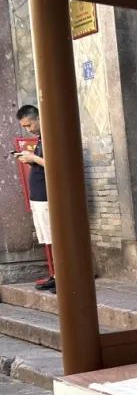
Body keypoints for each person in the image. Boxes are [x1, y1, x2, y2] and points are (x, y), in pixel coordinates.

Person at [15, 105, 54, 291]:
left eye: (29, 125)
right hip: (38, 196)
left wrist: (33, 158)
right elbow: (42, 165)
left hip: (47, 195)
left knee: (54, 238)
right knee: (47, 238)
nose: (28, 130)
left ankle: (63, 276)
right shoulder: (40, 138)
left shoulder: (51, 136)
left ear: (38, 118)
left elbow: (55, 164)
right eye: (24, 127)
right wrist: (30, 160)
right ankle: (55, 274)